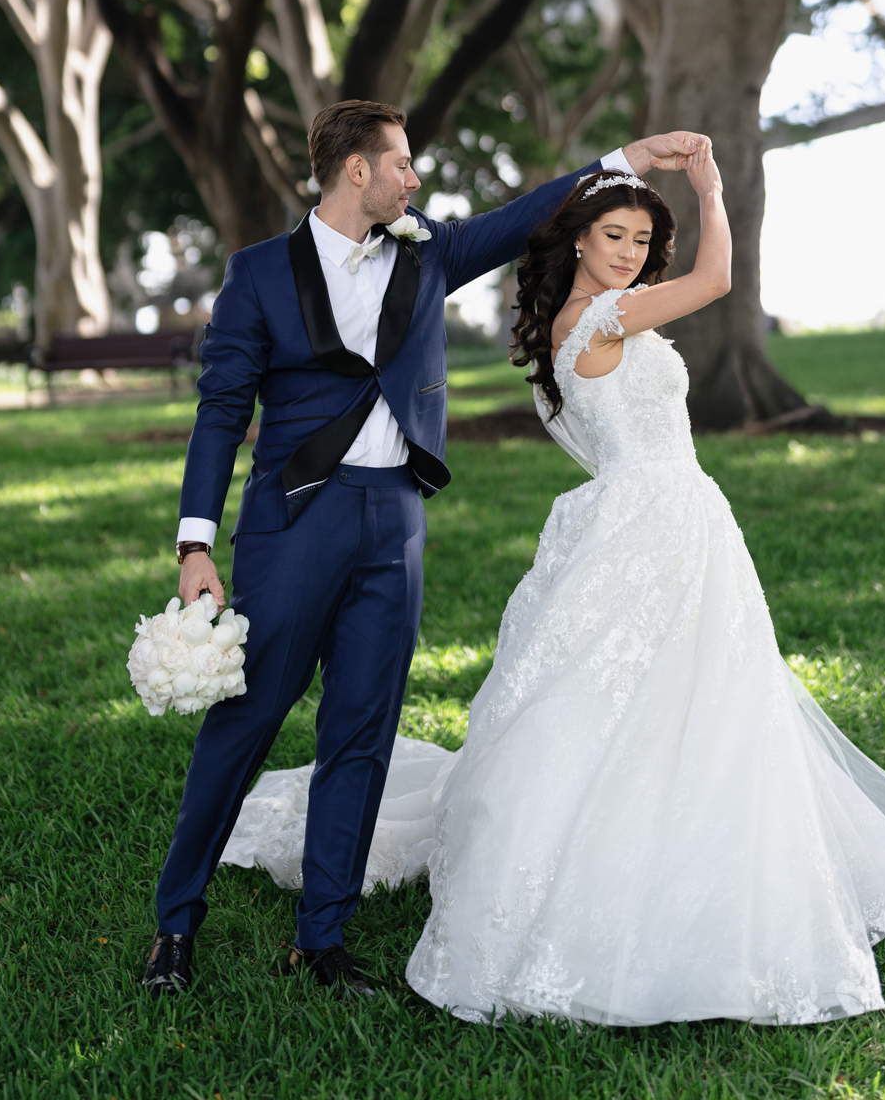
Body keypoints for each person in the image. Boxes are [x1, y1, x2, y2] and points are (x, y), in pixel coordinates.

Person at [141, 97, 707, 1000]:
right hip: (294, 520)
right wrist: (195, 545)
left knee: (362, 729)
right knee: (247, 720)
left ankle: (322, 939)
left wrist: (628, 157)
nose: (414, 178)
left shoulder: (427, 252)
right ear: (355, 170)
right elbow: (220, 413)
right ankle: (176, 924)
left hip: (394, 517)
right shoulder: (258, 274)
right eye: (400, 163)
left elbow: (528, 214)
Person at [403, 144, 885, 1025]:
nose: (629, 252)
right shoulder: (604, 316)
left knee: (675, 694)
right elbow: (716, 280)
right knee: (676, 693)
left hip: (657, 515)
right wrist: (708, 187)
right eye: (613, 235)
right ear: (578, 239)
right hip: (659, 518)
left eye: (640, 239)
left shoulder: (572, 323)